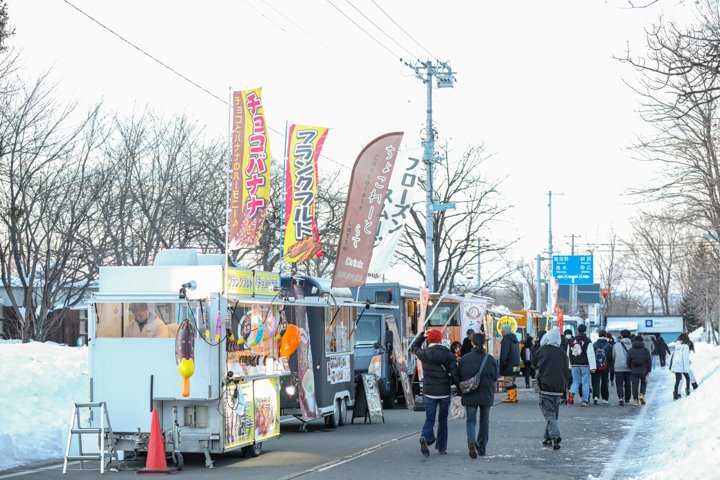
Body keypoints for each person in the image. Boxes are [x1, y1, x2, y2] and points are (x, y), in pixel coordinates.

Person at [410, 328, 461, 456]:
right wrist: (460, 390)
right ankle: (441, 448)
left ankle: (425, 437)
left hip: (429, 392)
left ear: (429, 339)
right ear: (440, 339)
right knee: (443, 420)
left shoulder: (424, 353)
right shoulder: (448, 354)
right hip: (444, 391)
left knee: (430, 418)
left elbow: (414, 346)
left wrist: (422, 335)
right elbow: (454, 374)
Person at [458, 332, 499, 458]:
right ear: (484, 343)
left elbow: (460, 375)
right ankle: (482, 447)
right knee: (484, 420)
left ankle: (471, 440)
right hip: (486, 393)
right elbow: (495, 376)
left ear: (472, 342)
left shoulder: (465, 359)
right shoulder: (490, 359)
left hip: (470, 393)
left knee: (471, 419)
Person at [531, 328, 570, 450]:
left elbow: (533, 363)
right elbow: (567, 371)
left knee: (549, 414)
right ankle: (548, 437)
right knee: (553, 414)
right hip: (559, 389)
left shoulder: (542, 350)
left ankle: (555, 435)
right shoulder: (563, 353)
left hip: (545, 386)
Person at [567, 324, 596, 407]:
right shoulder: (587, 341)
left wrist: (569, 365)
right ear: (585, 330)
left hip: (574, 364)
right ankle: (584, 400)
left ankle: (572, 392)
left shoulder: (572, 341)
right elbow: (590, 354)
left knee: (575, 381)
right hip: (585, 365)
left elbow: (568, 353)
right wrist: (593, 367)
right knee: (585, 383)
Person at [626, 334, 652, 405]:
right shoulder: (645, 350)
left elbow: (628, 361)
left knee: (635, 385)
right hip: (644, 370)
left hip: (634, 370)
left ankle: (635, 400)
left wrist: (631, 367)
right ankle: (641, 394)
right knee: (644, 382)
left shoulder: (631, 350)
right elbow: (649, 361)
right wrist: (649, 370)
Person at [499, 324, 521, 403]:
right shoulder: (515, 340)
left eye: (502, 331)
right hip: (516, 364)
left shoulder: (506, 340)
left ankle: (511, 397)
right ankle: (514, 396)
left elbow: (504, 354)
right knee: (513, 381)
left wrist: (502, 365)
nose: (501, 333)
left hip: (509, 365)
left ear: (504, 332)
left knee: (508, 382)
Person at [591, 330, 613, 405]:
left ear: (599, 335)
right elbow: (610, 358)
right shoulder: (609, 346)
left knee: (595, 381)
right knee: (604, 382)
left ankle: (595, 397)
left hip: (595, 366)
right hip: (605, 366)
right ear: (606, 335)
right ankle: (605, 398)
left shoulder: (594, 345)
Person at [612, 329, 633, 405]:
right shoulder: (632, 345)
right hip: (629, 368)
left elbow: (613, 356)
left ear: (621, 336)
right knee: (628, 384)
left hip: (618, 367)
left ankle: (621, 397)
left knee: (619, 384)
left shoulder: (616, 345)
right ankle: (627, 399)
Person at [669, 333, 692, 400]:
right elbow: (685, 358)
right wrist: (686, 369)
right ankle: (687, 391)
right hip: (681, 365)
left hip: (676, 365)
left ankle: (675, 395)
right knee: (687, 378)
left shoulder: (677, 345)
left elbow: (675, 357)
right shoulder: (685, 346)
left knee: (677, 380)